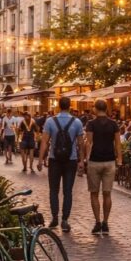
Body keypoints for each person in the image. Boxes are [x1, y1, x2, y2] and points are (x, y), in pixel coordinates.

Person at [39, 97, 85, 232]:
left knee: (53, 190)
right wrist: (82, 161)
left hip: (54, 159)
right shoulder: (76, 122)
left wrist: (40, 159)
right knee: (68, 191)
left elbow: (44, 142)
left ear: (58, 106)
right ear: (70, 106)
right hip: (71, 160)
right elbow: (81, 143)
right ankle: (65, 220)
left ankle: (54, 217)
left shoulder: (50, 121)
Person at [84, 100, 122, 236]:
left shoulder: (91, 124)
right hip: (110, 161)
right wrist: (120, 160)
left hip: (95, 161)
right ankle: (106, 222)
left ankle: (98, 222)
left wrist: (86, 159)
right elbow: (118, 143)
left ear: (95, 109)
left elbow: (88, 142)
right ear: (106, 109)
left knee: (94, 193)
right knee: (107, 193)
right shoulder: (113, 124)